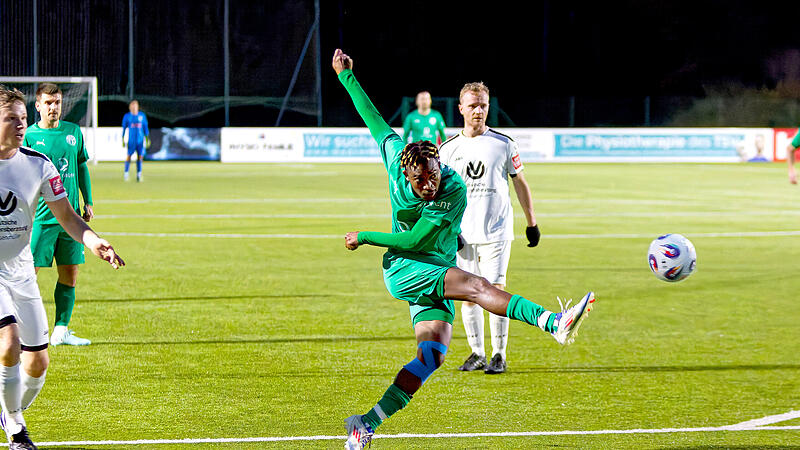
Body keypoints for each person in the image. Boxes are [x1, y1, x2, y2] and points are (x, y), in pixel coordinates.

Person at [332, 49, 595, 450]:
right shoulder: (393, 159)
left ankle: (365, 423)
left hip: (428, 260)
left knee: (431, 357)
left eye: (433, 175)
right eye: (420, 180)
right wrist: (346, 76)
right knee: (476, 285)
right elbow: (372, 118)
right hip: (404, 268)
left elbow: (420, 238)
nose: (428, 185)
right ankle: (553, 323)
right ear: (405, 172)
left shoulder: (451, 188)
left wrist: (366, 235)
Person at [0, 85, 124, 449]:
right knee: (9, 343)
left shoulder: (39, 165)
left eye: (23, 119)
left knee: (37, 364)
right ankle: (17, 433)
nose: (21, 125)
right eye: (11, 118)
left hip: (20, 271)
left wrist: (94, 241)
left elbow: (68, 216)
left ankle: (8, 412)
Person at [439, 81, 540, 375]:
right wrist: (449, 228)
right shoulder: (448, 150)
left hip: (496, 230)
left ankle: (499, 354)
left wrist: (531, 223)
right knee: (468, 294)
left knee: (496, 289)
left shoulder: (504, 144)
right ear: (461, 109)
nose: (478, 111)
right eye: (472, 105)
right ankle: (477, 353)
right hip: (462, 234)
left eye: (483, 104)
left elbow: (520, 182)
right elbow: (440, 194)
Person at [22, 83, 95, 347]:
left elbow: (81, 166)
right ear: (38, 106)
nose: (53, 108)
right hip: (41, 217)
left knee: (70, 273)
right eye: (48, 103)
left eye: (57, 102)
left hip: (71, 218)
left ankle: (60, 331)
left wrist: (88, 201)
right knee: (28, 274)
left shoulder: (73, 132)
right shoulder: (29, 136)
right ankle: (18, 329)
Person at [121, 99, 150, 182]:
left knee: (140, 157)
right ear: (130, 107)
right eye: (132, 106)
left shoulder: (142, 116)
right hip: (131, 141)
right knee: (128, 157)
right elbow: (124, 128)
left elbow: (145, 128)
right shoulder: (127, 116)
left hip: (140, 141)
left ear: (137, 107)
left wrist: (147, 139)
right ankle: (126, 173)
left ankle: (139, 174)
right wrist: (122, 139)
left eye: (135, 106)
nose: (134, 107)